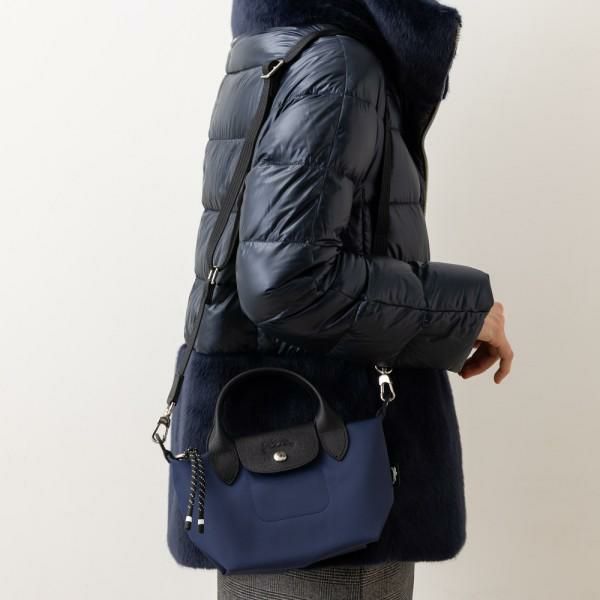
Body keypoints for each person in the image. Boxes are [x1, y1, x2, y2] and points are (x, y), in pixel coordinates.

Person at [166, 1, 513, 598]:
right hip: (328, 475)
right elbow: (284, 282)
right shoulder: (336, 64)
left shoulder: (283, 50)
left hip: (274, 461)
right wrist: (464, 313)